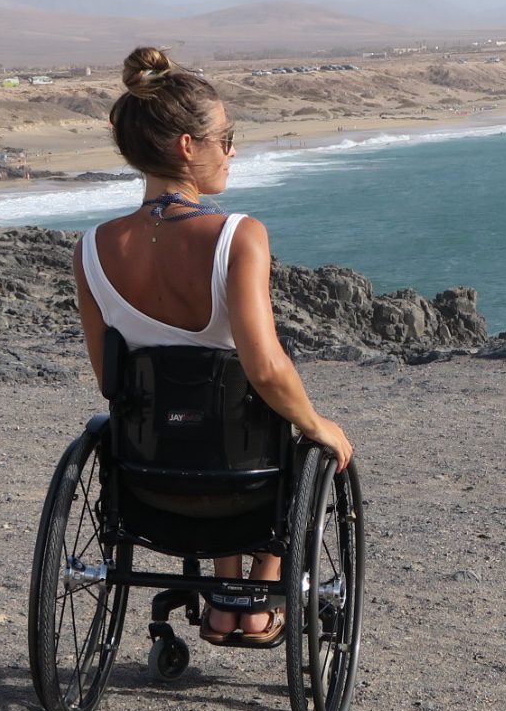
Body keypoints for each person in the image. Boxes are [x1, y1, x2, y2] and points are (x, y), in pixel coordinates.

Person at [71, 46, 354, 647]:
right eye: (226, 138)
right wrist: (318, 424)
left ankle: (225, 605)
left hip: (149, 482)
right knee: (280, 421)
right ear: (185, 146)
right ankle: (251, 606)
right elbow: (268, 368)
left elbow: (110, 381)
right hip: (245, 484)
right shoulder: (237, 236)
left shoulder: (91, 248)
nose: (233, 150)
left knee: (214, 410)